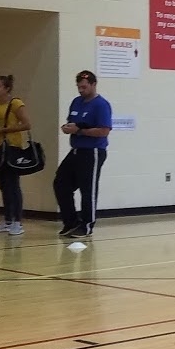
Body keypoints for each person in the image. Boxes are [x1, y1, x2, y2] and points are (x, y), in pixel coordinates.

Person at [54, 70, 112, 238]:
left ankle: (87, 225)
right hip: (76, 151)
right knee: (60, 183)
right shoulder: (76, 102)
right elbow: (72, 122)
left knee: (88, 190)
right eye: (79, 87)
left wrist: (80, 131)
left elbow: (104, 131)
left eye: (84, 87)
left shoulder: (101, 105)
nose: (81, 90)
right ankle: (70, 221)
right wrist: (68, 128)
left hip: (92, 151)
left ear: (93, 85)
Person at [0, 74, 32, 235]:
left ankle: (17, 222)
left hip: (12, 147)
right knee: (3, 185)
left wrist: (4, 130)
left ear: (6, 88)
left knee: (12, 184)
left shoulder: (16, 104)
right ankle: (7, 220)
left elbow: (27, 124)